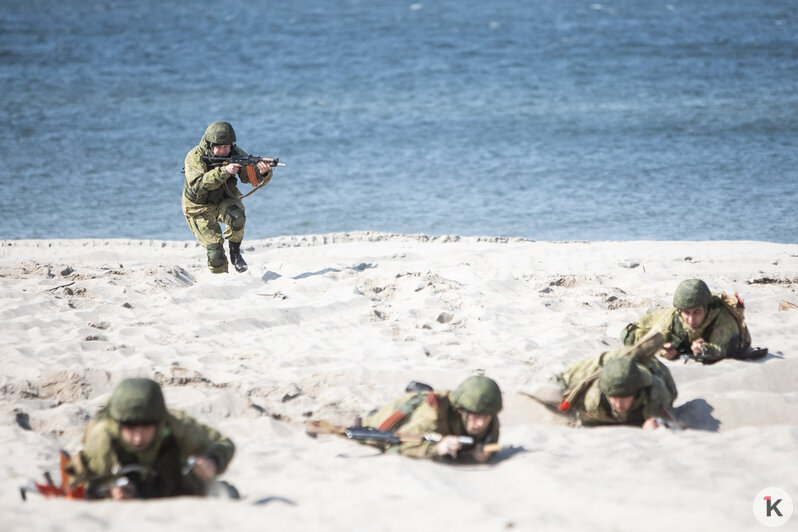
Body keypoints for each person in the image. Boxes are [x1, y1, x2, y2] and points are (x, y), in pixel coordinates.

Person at [69, 378, 236, 499]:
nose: (137, 438)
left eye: (146, 427)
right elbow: (83, 487)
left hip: (174, 487)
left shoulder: (175, 423)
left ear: (159, 422)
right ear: (118, 424)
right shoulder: (102, 436)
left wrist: (212, 462)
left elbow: (222, 443)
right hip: (127, 501)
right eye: (130, 428)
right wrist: (109, 493)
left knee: (228, 495)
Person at [182, 121, 274, 274]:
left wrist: (263, 173)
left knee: (237, 217)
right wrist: (225, 171)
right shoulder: (195, 156)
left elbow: (248, 178)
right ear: (210, 145)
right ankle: (221, 279)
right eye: (220, 147)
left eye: (227, 146)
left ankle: (235, 254)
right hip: (198, 207)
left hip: (224, 199)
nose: (225, 150)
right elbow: (197, 185)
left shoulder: (236, 153)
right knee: (215, 254)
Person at [360, 376, 502, 462]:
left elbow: (488, 445)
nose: (480, 423)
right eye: (475, 416)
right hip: (390, 422)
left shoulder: (488, 414)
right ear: (461, 410)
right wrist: (437, 449)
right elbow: (397, 447)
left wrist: (476, 455)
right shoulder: (433, 415)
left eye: (486, 417)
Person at [620, 279, 752, 363]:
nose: (691, 319)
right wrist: (665, 351)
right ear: (680, 311)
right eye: (686, 313)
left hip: (724, 340)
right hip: (681, 337)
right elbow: (653, 341)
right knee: (629, 335)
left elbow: (721, 350)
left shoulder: (722, 317)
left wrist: (703, 349)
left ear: (706, 308)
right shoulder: (673, 317)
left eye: (697, 312)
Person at [558, 347, 677, 430]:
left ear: (636, 392)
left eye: (625, 397)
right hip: (596, 366)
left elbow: (669, 420)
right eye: (614, 397)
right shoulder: (593, 400)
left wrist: (656, 423)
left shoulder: (654, 390)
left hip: (649, 367)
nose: (619, 404)